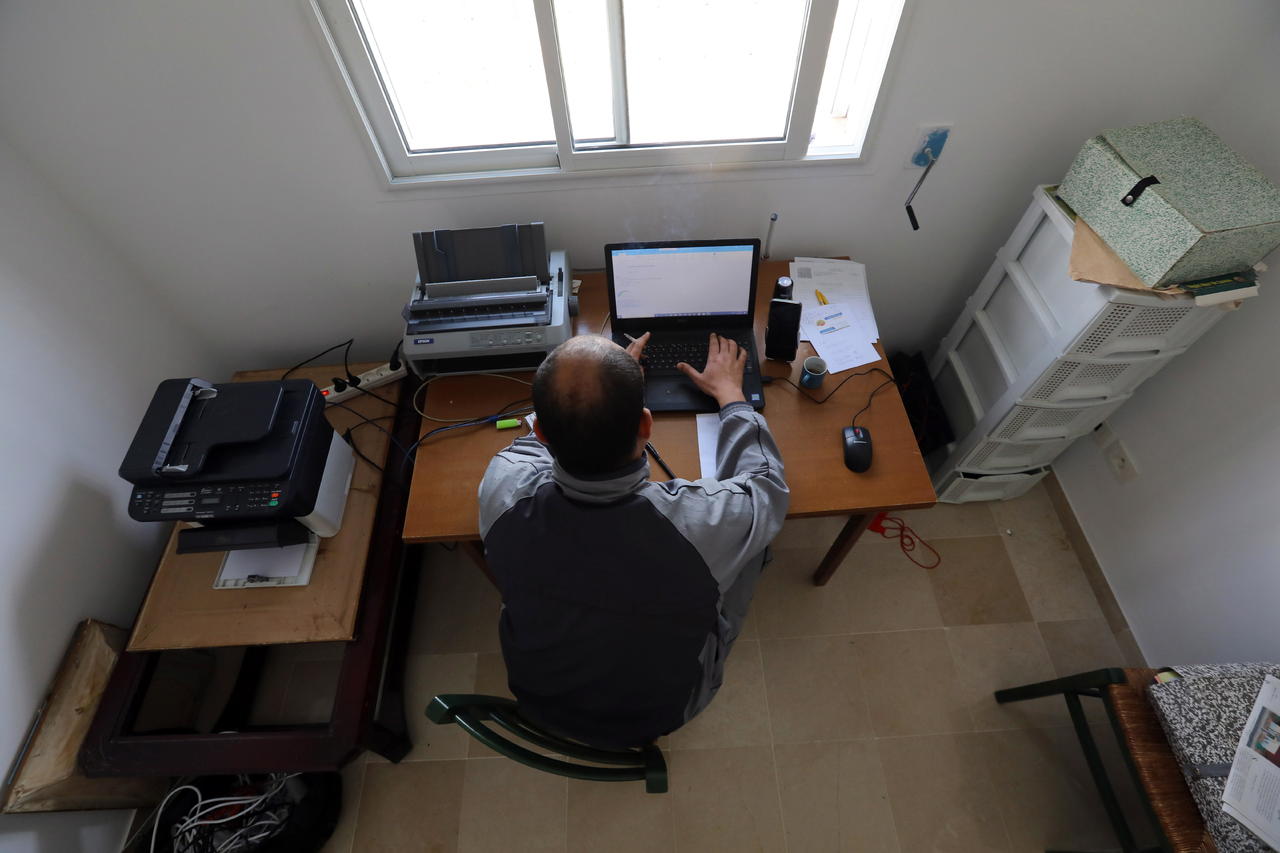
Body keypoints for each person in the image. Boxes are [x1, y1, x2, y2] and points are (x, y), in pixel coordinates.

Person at [477, 332, 789, 748]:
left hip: (538, 700)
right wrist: (731, 395)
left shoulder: (502, 491)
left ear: (543, 434)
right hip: (660, 715)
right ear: (645, 424)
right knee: (755, 541)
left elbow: (527, 450)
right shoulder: (700, 525)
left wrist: (594, 390)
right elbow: (766, 486)